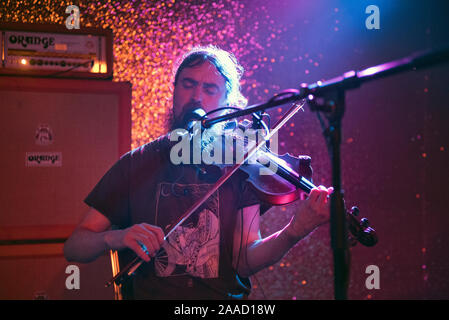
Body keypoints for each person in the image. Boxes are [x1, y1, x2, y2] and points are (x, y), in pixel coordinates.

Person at [63, 45, 333, 299]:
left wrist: (294, 231)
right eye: (188, 84)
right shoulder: (137, 163)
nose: (196, 97)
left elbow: (244, 261)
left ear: (230, 101)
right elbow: (75, 246)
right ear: (174, 91)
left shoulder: (241, 164)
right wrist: (117, 236)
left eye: (210, 89)